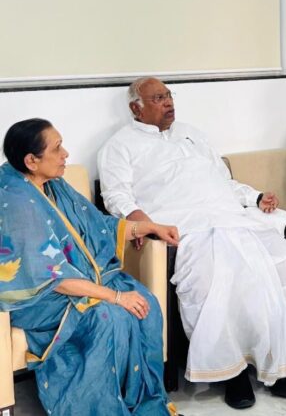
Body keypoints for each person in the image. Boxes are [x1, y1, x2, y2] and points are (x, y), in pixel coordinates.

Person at [97, 77, 286, 409]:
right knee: (213, 275)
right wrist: (146, 225)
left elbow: (223, 182)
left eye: (169, 95)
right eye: (158, 98)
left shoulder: (192, 133)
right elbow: (116, 197)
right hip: (184, 227)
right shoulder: (119, 146)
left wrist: (255, 198)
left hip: (231, 216)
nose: (168, 102)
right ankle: (231, 371)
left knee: (285, 261)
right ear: (135, 108)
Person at [0, 118, 181, 416]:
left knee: (145, 303)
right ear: (31, 161)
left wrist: (148, 227)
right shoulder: (17, 204)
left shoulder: (53, 184)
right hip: (39, 296)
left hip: (76, 279)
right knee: (107, 316)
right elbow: (52, 277)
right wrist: (116, 297)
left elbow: (96, 225)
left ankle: (139, 404)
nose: (66, 154)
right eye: (57, 148)